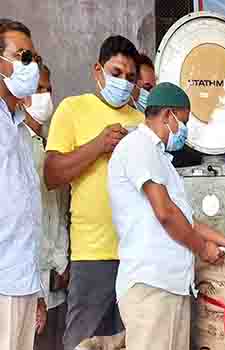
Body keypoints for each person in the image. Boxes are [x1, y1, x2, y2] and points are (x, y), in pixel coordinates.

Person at [107, 82, 225, 350]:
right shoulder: (138, 146)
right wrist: (203, 248)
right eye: (184, 121)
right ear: (168, 115)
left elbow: (186, 221)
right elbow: (165, 213)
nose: (184, 131)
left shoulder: (161, 159)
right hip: (151, 286)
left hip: (171, 286)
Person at [44, 35, 144, 350]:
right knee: (82, 341)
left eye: (130, 78)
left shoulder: (141, 121)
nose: (123, 83)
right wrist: (98, 146)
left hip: (136, 254)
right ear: (97, 70)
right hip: (93, 253)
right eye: (116, 74)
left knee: (129, 341)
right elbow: (52, 173)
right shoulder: (73, 109)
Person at [0, 19, 45, 350]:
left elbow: (24, 212)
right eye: (23, 57)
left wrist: (37, 287)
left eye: (34, 59)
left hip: (21, 280)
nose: (31, 66)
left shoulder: (16, 127)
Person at [20, 64, 71, 350]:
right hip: (26, 278)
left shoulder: (53, 144)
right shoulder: (14, 144)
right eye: (39, 89)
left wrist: (63, 259)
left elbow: (60, 209)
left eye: (48, 89)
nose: (45, 96)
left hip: (56, 276)